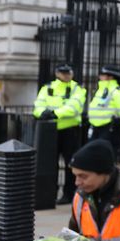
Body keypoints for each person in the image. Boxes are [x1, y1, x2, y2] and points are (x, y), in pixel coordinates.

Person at [33, 63, 87, 204]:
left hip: (70, 131)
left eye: (68, 73)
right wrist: (43, 113)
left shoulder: (77, 88)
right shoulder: (48, 87)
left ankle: (68, 195)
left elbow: (74, 108)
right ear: (57, 74)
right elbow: (38, 106)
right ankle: (49, 193)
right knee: (50, 164)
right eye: (62, 73)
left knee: (71, 164)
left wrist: (53, 113)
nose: (65, 75)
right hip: (50, 131)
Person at [87, 65, 120, 153]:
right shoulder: (100, 91)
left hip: (109, 129)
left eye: (102, 74)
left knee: (105, 156)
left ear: (110, 76)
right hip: (95, 129)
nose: (99, 77)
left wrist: (116, 125)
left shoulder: (119, 92)